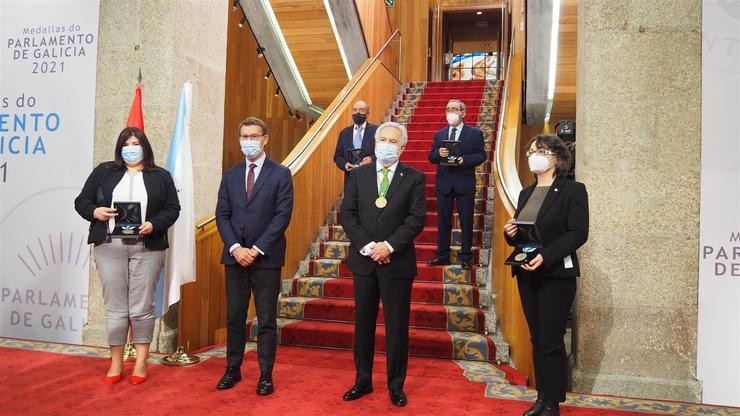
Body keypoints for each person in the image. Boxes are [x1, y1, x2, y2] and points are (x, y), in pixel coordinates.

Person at [74, 127, 180, 385]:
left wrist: (154, 224)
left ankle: (141, 362)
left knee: (142, 307)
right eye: (126, 143)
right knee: (115, 307)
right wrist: (95, 211)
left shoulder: (161, 176)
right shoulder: (104, 171)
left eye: (136, 143)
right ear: (120, 148)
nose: (131, 148)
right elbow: (81, 201)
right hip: (110, 246)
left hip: (147, 246)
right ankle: (116, 362)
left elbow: (173, 208)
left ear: (145, 146)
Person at [339, 122, 426, 408]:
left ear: (402, 147)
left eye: (393, 141)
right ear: (374, 143)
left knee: (396, 327)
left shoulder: (414, 177)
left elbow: (416, 219)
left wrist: (387, 246)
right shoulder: (358, 175)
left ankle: (395, 385)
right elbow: (348, 215)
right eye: (383, 139)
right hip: (364, 262)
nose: (386, 145)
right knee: (363, 324)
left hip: (397, 262)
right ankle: (362, 380)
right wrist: (368, 247)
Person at [503, 134, 589, 416]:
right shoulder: (526, 193)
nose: (532, 156)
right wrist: (510, 234)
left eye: (538, 151)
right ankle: (541, 397)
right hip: (528, 274)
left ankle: (553, 402)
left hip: (555, 274)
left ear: (556, 157)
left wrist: (546, 256)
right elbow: (526, 235)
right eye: (530, 151)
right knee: (537, 338)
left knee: (552, 339)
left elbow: (578, 233)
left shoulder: (573, 190)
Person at [214, 116, 294, 396]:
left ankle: (265, 375)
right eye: (244, 136)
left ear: (265, 139)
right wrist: (236, 247)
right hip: (234, 257)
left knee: (266, 320)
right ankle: (232, 369)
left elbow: (282, 216)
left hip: (266, 258)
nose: (248, 141)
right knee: (235, 317)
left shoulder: (280, 174)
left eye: (253, 136)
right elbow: (222, 215)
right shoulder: (231, 175)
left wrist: (256, 249)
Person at [427, 99, 486, 269]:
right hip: (444, 183)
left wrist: (464, 160)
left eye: (454, 109)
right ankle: (443, 255)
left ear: (463, 113)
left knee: (466, 221)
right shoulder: (439, 135)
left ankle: (465, 257)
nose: (450, 112)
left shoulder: (475, 133)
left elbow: (481, 156)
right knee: (443, 221)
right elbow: (431, 157)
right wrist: (438, 153)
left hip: (464, 183)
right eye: (448, 109)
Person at [333, 100, 378, 177]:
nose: (358, 113)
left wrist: (372, 159)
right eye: (355, 110)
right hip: (350, 178)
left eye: (361, 110)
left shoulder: (376, 131)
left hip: (370, 177)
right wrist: (345, 164)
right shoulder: (344, 133)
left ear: (367, 114)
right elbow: (338, 156)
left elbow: (382, 153)